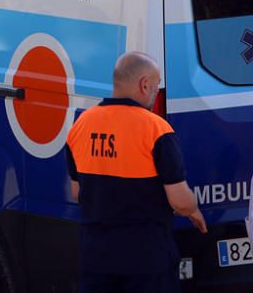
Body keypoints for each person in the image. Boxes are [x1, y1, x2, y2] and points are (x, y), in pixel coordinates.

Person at [65, 52, 207, 292]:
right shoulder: (156, 129)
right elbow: (180, 201)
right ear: (144, 84)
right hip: (147, 261)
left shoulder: (81, 125)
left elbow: (78, 193)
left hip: (96, 259)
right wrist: (193, 209)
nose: (155, 91)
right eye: (156, 85)